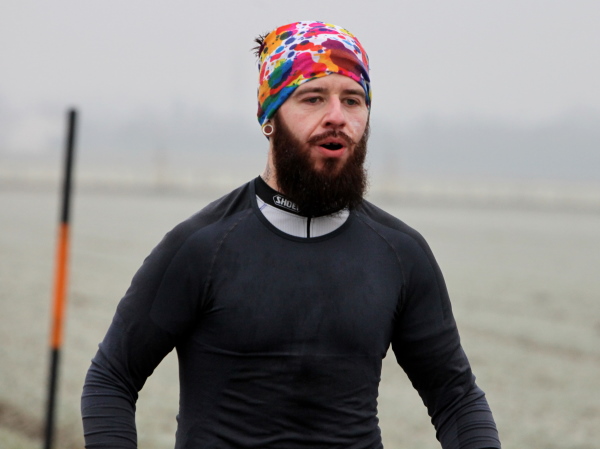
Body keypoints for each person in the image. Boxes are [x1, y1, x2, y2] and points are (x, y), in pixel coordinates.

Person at [81, 21, 501, 449]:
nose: (336, 116)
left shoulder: (400, 253)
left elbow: (457, 400)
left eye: (352, 100)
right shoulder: (202, 246)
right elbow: (112, 377)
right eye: (313, 98)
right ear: (270, 117)